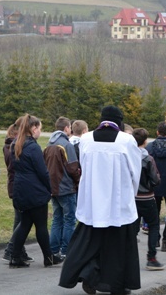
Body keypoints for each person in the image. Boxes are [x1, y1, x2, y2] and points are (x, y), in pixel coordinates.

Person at [59, 106, 142, 295]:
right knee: (118, 246)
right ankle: (118, 284)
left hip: (93, 203)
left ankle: (90, 276)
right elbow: (135, 172)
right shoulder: (127, 140)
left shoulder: (86, 139)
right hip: (118, 204)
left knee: (91, 243)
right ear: (119, 122)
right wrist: (132, 194)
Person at [7, 114, 63, 268]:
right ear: (33, 128)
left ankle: (15, 255)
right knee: (41, 225)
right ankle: (48, 257)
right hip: (34, 190)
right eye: (39, 128)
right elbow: (42, 171)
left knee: (25, 223)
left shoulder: (15, 145)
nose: (40, 131)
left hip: (21, 188)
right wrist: (49, 188)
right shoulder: (33, 147)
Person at [44, 117, 81, 260]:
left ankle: (54, 250)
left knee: (57, 219)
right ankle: (66, 250)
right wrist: (78, 181)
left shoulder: (49, 144)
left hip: (53, 188)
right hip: (66, 187)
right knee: (70, 219)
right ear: (66, 128)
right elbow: (73, 168)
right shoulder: (66, 145)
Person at [131, 128, 164, 271]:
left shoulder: (129, 156)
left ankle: (129, 257)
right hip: (147, 197)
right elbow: (155, 179)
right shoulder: (148, 159)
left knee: (132, 229)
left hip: (133, 197)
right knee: (153, 225)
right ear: (145, 141)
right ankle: (151, 257)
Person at [1, 121, 32, 264]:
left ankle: (18, 250)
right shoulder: (11, 147)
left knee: (20, 219)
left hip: (15, 184)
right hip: (16, 185)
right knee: (21, 220)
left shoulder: (9, 146)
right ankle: (11, 248)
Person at [146, 121, 166, 252]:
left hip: (155, 182)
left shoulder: (150, 147)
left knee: (155, 212)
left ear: (157, 132)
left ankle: (156, 239)